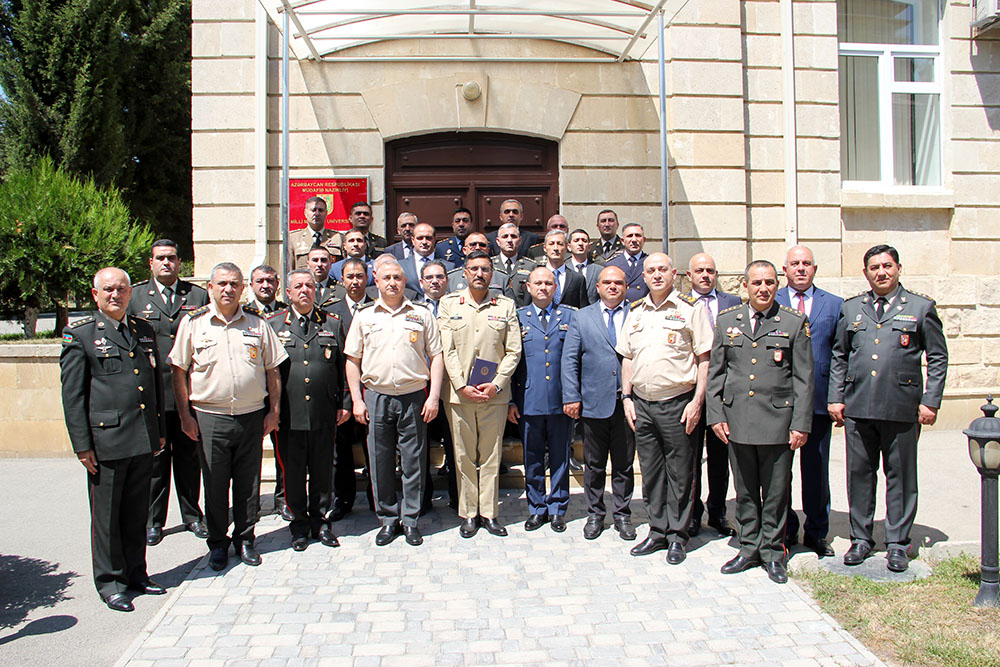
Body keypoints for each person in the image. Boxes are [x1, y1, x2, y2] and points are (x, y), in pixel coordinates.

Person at [828, 244, 948, 573]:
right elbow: (840, 355)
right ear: (866, 273)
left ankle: (897, 542)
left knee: (901, 477)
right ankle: (861, 538)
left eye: (887, 266)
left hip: (901, 407)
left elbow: (938, 357)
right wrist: (836, 397)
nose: (881, 272)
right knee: (859, 476)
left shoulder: (921, 307)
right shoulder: (852, 308)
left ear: (898, 268)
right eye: (874, 267)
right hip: (858, 406)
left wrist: (930, 401)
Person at [168, 263, 288, 571]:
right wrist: (185, 416)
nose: (228, 289)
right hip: (210, 417)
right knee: (215, 485)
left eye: (234, 284)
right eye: (222, 283)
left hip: (251, 416)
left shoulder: (257, 323)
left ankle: (245, 539)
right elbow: (178, 371)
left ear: (242, 288)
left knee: (248, 484)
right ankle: (218, 543)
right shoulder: (193, 324)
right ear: (210, 288)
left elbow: (272, 370)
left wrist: (274, 411)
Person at [62, 266, 167, 613]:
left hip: (142, 437)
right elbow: (73, 397)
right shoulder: (81, 335)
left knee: (136, 514)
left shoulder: (143, 330)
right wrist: (82, 446)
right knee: (107, 519)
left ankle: (137, 573)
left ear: (130, 293)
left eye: (121, 289)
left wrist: (159, 431)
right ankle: (111, 582)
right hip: (106, 443)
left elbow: (153, 385)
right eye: (108, 289)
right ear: (96, 294)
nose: (115, 295)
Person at [707, 260, 814, 584]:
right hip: (737, 421)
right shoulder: (728, 321)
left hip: (778, 422)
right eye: (757, 283)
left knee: (776, 493)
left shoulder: (793, 322)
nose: (763, 288)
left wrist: (800, 424)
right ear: (746, 286)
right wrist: (716, 416)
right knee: (745, 492)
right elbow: (716, 373)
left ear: (777, 285)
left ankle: (773, 552)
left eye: (769, 282)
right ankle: (749, 547)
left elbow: (804, 379)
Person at [617, 252, 713, 565]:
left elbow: (705, 358)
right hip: (642, 405)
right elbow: (627, 357)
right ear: (643, 277)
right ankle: (657, 531)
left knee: (681, 474)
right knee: (652, 473)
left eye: (662, 269)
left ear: (674, 273)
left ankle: (677, 536)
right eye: (651, 271)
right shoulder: (635, 311)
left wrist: (697, 402)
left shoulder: (690, 309)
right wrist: (627, 397)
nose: (657, 275)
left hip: (678, 404)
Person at [345, 257, 444, 546]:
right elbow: (352, 360)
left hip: (413, 397)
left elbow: (436, 356)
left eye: (397, 278)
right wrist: (357, 400)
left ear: (405, 281)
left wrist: (433, 397)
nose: (392, 283)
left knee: (414, 461)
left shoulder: (421, 314)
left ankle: (411, 519)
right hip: (376, 396)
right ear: (376, 281)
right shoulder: (365, 316)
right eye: (386, 278)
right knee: (380, 462)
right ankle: (388, 519)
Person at [128, 239, 209, 546]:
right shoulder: (136, 296)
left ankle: (192, 515)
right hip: (153, 394)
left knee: (190, 459)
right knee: (156, 462)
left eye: (172, 258)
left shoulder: (197, 295)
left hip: (189, 392)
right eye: (160, 258)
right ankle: (154, 521)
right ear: (151, 263)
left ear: (179, 262)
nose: (166, 263)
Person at [439, 251, 522, 538]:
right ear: (464, 272)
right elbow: (446, 349)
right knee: (463, 456)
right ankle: (468, 514)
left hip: (493, 396)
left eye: (485, 269)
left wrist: (497, 384)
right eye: (474, 268)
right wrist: (461, 385)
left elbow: (514, 351)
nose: (479, 274)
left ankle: (488, 513)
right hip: (459, 395)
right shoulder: (449, 304)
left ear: (492, 273)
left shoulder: (505, 305)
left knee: (490, 455)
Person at [269, 269, 350, 551]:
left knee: (322, 470)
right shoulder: (273, 324)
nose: (304, 290)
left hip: (323, 411)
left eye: (309, 286)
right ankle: (299, 526)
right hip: (288, 414)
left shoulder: (331, 322)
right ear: (288, 292)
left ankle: (320, 522)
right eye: (298, 286)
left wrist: (345, 403)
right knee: (292, 473)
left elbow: (343, 367)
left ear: (316, 291)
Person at [562, 265, 637, 541]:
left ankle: (622, 514)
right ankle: (595, 513)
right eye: (607, 282)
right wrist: (571, 396)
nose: (613, 287)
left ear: (626, 287)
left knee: (624, 463)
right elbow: (570, 359)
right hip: (593, 401)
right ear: (597, 286)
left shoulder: (637, 315)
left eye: (618, 283)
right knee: (594, 464)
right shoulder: (582, 317)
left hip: (628, 403)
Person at [777, 245, 843, 558]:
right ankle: (786, 529)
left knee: (816, 471)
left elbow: (841, 354)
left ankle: (817, 532)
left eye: (806, 263)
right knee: (781, 472)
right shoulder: (771, 299)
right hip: (779, 402)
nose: (800, 268)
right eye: (795, 263)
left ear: (814, 269)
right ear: (785, 270)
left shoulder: (835, 304)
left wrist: (837, 397)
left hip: (818, 401)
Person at [510, 267, 576, 532]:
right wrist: (510, 401)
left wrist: (574, 396)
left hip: (562, 400)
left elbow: (575, 359)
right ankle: (537, 507)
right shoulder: (517, 318)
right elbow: (511, 362)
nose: (543, 287)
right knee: (532, 457)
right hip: (529, 399)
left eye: (548, 283)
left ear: (555, 287)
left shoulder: (570, 316)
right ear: (528, 287)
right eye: (538, 283)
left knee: (560, 457)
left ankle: (558, 508)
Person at [683, 252, 739, 538]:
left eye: (710, 271)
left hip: (725, 391)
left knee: (720, 457)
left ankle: (718, 512)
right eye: (700, 271)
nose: (705, 275)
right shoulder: (681, 304)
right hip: (692, 390)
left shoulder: (733, 302)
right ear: (689, 275)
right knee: (691, 458)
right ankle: (693, 514)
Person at [325, 258, 375, 519]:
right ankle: (342, 500)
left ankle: (377, 498)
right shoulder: (329, 312)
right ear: (341, 280)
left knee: (374, 449)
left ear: (367, 278)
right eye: (350, 277)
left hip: (373, 390)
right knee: (340, 451)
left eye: (359, 276)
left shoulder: (378, 307)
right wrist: (345, 398)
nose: (355, 281)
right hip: (342, 392)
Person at [244, 264, 291, 520]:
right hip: (251, 394)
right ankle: (250, 505)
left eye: (271, 281)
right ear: (251, 285)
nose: (266, 285)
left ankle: (283, 499)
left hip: (281, 394)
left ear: (277, 284)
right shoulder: (242, 314)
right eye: (260, 281)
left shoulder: (287, 312)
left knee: (283, 450)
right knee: (249, 454)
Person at [418, 259, 459, 510]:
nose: (435, 281)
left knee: (455, 445)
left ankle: (458, 498)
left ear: (447, 280)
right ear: (421, 282)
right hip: (421, 386)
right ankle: (423, 499)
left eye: (440, 277)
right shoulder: (412, 308)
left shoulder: (458, 306)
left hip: (452, 385)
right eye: (430, 277)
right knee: (419, 446)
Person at [538, 229, 588, 308]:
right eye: (551, 244)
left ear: (567, 247)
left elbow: (583, 309)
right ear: (545, 248)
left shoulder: (577, 278)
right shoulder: (535, 277)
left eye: (560, 244)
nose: (555, 248)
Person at [289, 196, 342, 269]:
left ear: (326, 213)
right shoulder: (293, 239)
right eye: (313, 210)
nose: (317, 213)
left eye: (320, 210)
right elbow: (287, 270)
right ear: (305, 213)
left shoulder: (338, 238)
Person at [403, 222, 453, 294]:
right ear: (413, 240)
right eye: (420, 238)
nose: (424, 242)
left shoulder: (449, 266)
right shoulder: (402, 266)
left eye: (428, 238)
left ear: (434, 240)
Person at [604, 223, 649, 303]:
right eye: (630, 236)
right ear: (622, 241)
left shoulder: (650, 263)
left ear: (644, 240)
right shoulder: (611, 265)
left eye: (638, 235)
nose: (634, 240)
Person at [491, 223, 533, 305]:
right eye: (505, 236)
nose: (509, 240)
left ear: (520, 241)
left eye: (513, 236)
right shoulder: (489, 265)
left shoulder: (531, 266)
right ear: (498, 241)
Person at [567, 228, 603, 302]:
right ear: (569, 247)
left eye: (584, 240)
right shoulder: (563, 269)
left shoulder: (599, 271)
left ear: (589, 247)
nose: (580, 243)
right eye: (576, 240)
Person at [306, 246, 344, 310]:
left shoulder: (342, 290)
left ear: (330, 264)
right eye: (315, 260)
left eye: (323, 260)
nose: (319, 264)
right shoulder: (301, 290)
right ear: (308, 264)